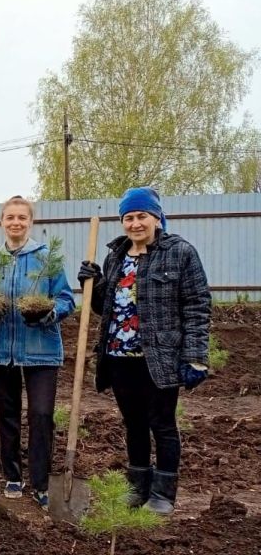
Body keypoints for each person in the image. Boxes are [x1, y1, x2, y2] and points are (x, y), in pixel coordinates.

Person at [78, 187, 211, 515]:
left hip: (159, 357)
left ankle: (163, 494)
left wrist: (195, 356)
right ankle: (138, 488)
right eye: (129, 217)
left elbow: (197, 304)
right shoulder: (116, 256)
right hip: (119, 356)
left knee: (162, 423)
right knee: (133, 423)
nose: (135, 223)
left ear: (156, 217)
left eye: (142, 216)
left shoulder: (180, 252)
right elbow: (106, 309)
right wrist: (91, 285)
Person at [0, 196, 75, 508]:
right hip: (0, 350)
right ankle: (12, 477)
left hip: (41, 350)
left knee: (41, 415)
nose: (16, 222)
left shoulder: (47, 261)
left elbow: (66, 300)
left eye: (22, 217)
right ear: (1, 222)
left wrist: (46, 313)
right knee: (8, 415)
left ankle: (41, 482)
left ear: (31, 222)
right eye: (10, 217)